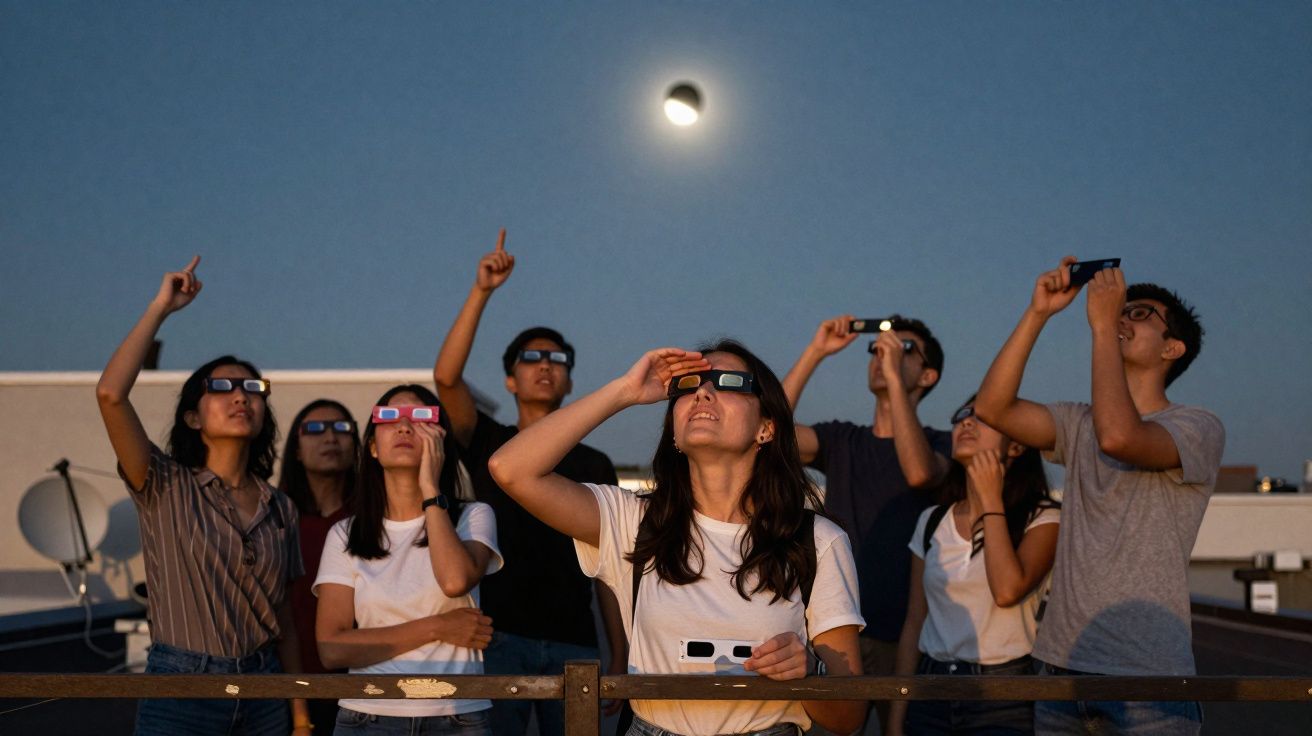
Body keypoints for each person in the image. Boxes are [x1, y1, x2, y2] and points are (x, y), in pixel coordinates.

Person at [488, 339, 868, 736]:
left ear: (766, 428)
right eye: (689, 385)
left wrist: (809, 670)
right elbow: (510, 468)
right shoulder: (634, 520)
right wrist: (625, 392)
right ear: (673, 430)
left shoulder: (817, 539)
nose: (703, 391)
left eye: (729, 382)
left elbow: (847, 718)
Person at [974, 257, 1225, 735]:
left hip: (1150, 679)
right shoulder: (1079, 422)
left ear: (1173, 348)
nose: (1125, 316)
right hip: (1062, 671)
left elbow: (1120, 437)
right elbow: (992, 407)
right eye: (1123, 311)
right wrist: (1038, 313)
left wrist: (1103, 327)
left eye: (1140, 314)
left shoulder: (1197, 426)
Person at [95, 256, 310, 735]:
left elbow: (285, 622)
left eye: (252, 388)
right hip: (181, 689)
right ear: (193, 417)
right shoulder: (163, 483)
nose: (240, 396)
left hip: (265, 691)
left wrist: (299, 715)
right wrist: (160, 308)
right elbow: (111, 394)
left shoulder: (282, 507)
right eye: (222, 387)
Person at [433, 230, 628, 735]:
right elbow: (448, 380)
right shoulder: (487, 439)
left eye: (558, 361)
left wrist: (621, 653)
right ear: (509, 381)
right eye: (531, 358)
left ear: (569, 382)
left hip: (576, 642)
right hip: (497, 638)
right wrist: (482, 291)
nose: (545, 365)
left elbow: (611, 566)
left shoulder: (595, 462)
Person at [782, 314, 952, 733]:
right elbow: (767, 433)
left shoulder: (941, 443)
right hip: (842, 637)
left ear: (928, 376)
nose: (884, 355)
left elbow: (918, 473)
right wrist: (815, 352)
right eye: (877, 349)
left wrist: (895, 382)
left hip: (911, 639)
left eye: (904, 349)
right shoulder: (843, 439)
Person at [314, 384, 502, 735]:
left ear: (440, 439)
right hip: (365, 716)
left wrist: (431, 489)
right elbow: (332, 648)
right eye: (389, 417)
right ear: (372, 446)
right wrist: (438, 627)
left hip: (457, 714)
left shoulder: (472, 516)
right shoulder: (345, 533)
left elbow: (455, 581)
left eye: (420, 417)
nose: (403, 426)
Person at [888, 396, 1060, 736]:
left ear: (1016, 447)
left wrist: (991, 499)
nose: (966, 422)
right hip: (931, 688)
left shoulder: (1044, 517)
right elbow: (914, 622)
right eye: (961, 414)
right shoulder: (933, 520)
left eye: (981, 417)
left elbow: (1008, 590)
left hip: (1005, 693)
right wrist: (896, 716)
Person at [279, 399, 360, 732]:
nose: (330, 437)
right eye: (314, 429)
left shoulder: (372, 519)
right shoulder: (275, 517)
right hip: (285, 687)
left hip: (361, 686)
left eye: (342, 428)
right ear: (296, 450)